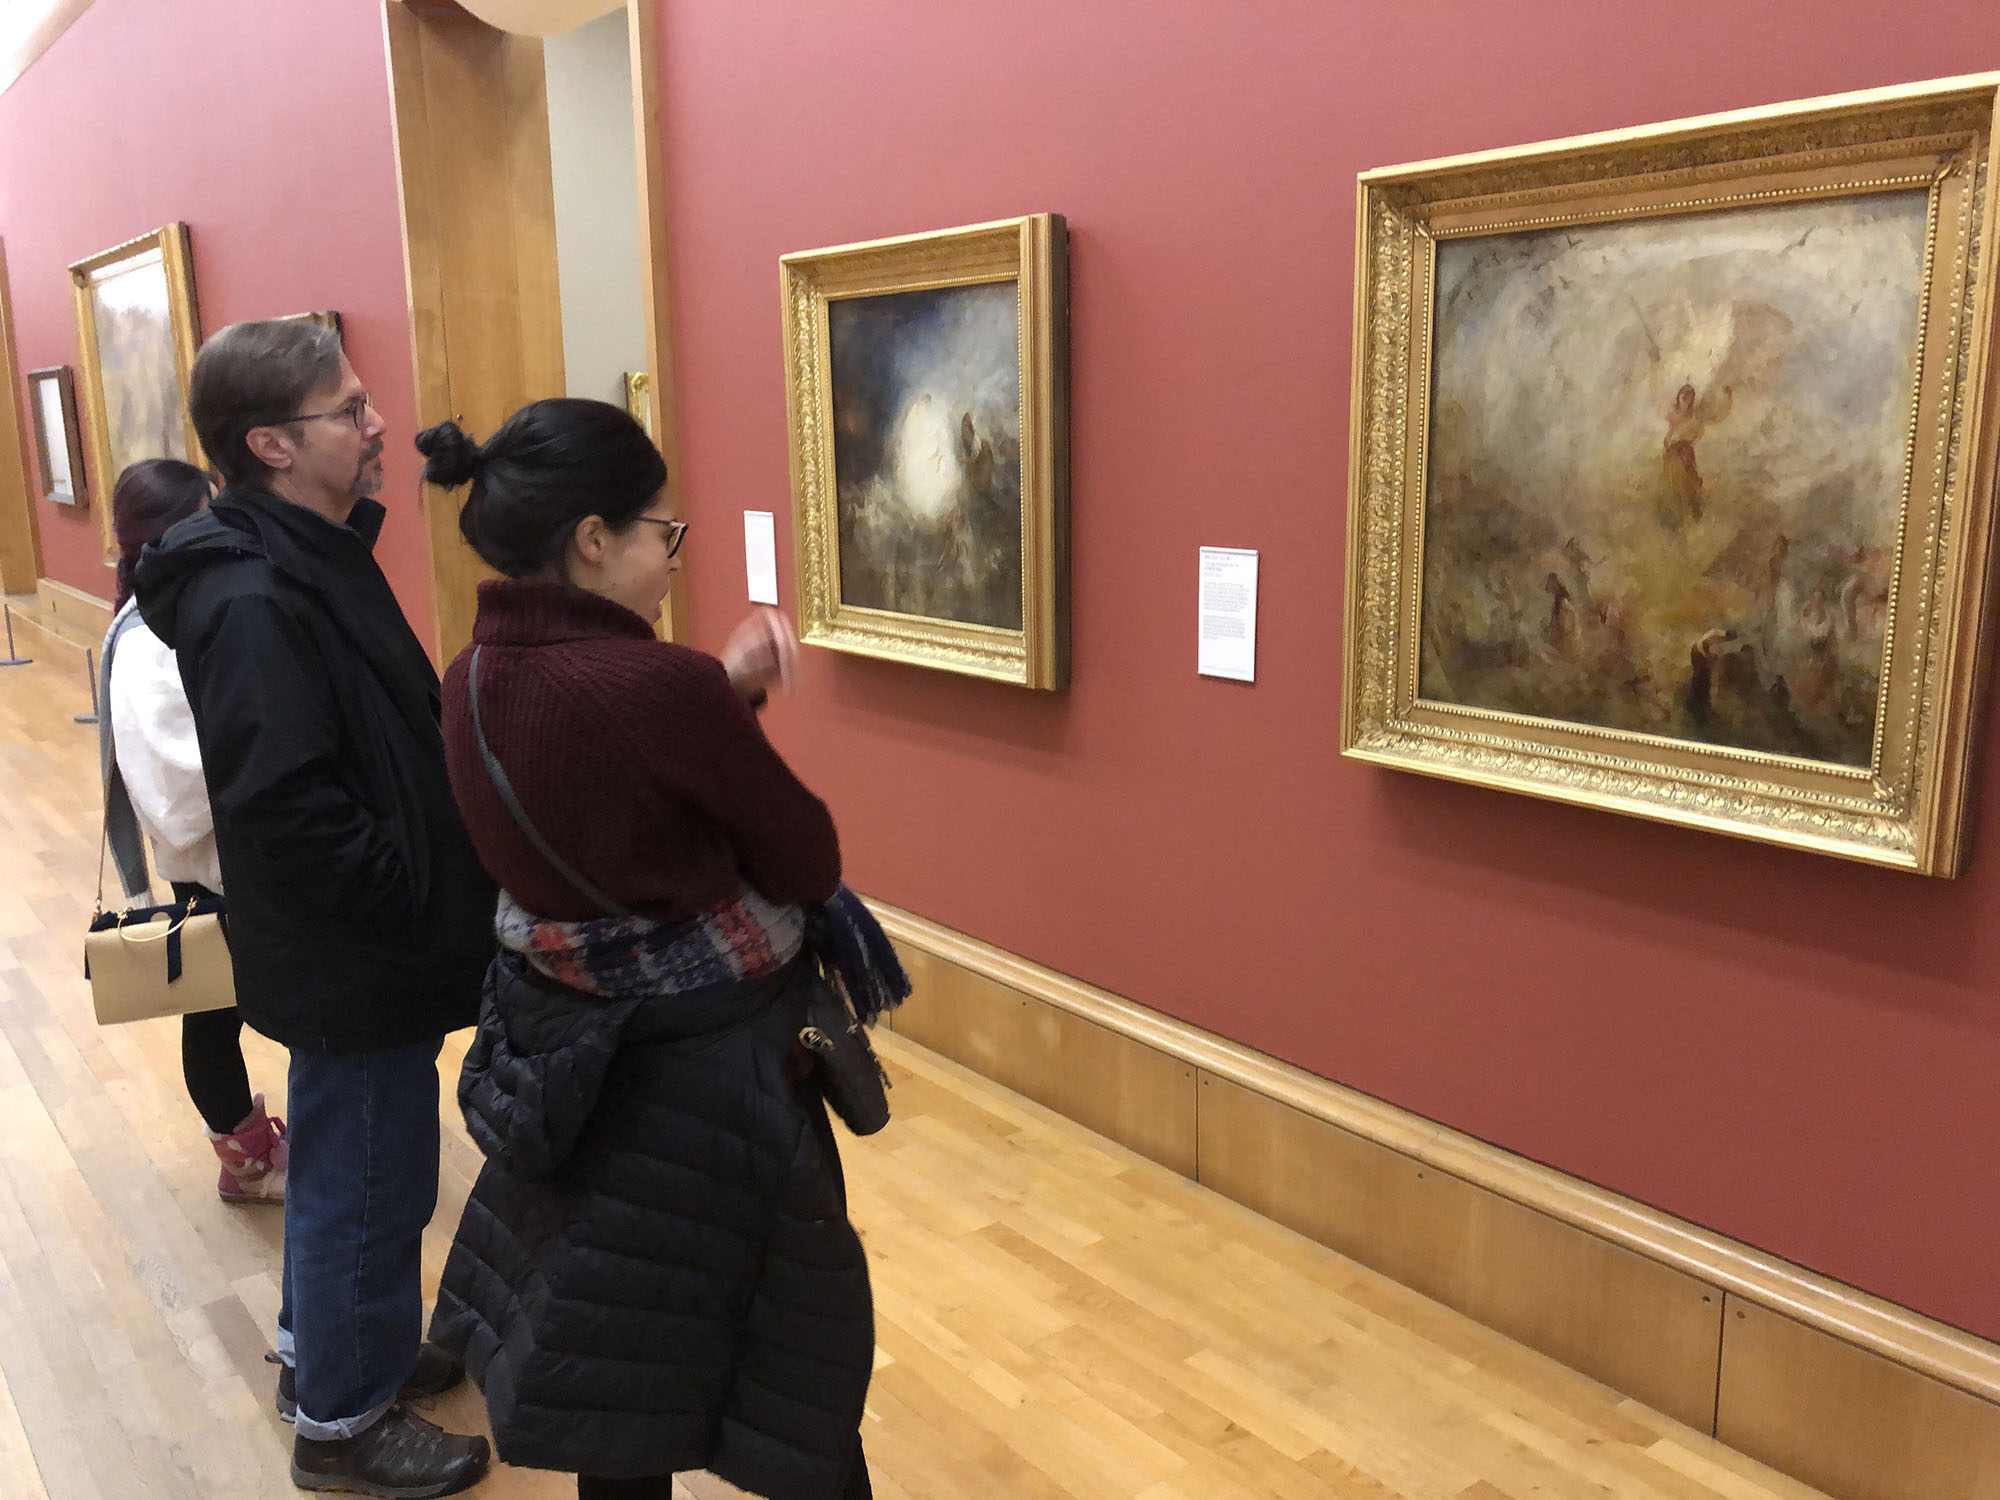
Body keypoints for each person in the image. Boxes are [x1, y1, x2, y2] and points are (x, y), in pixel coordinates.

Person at [414, 399, 896, 1500]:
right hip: (713, 1073)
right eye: (663, 534)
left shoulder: (470, 680)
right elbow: (807, 859)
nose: (672, 559)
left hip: (568, 1057)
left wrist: (714, 696)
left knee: (616, 1370)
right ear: (594, 538)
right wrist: (714, 707)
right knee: (790, 1355)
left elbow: (591, 784)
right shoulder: (658, 687)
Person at [134, 319, 496, 1495]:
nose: (378, 421)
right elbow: (287, 805)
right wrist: (408, 903)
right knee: (371, 1178)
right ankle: (343, 1423)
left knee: (357, 1160)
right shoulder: (251, 594)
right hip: (358, 950)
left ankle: (328, 1356)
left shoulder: (307, 554)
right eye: (348, 409)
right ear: (272, 445)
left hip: (362, 942)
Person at [98, 458, 288, 1204]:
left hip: (224, 857)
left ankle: (249, 1151)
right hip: (217, 864)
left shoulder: (163, 617)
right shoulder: (149, 639)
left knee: (219, 1008)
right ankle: (244, 1160)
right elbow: (180, 785)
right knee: (214, 1011)